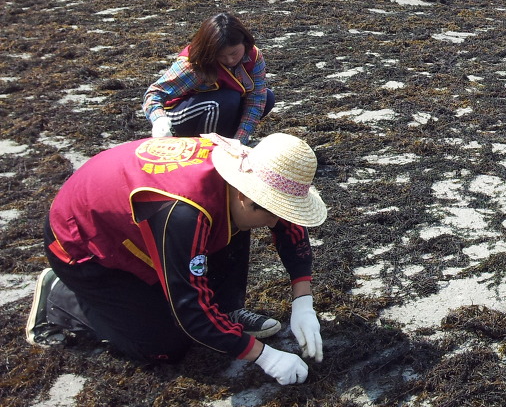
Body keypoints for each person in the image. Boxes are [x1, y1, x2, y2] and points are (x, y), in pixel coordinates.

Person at [25, 132, 328, 386]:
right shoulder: (186, 214)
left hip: (145, 225)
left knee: (236, 232)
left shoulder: (248, 173)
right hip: (84, 245)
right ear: (246, 196)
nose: (279, 220)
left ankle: (226, 313)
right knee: (164, 346)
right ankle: (60, 298)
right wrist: (265, 356)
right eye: (274, 211)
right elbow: (190, 311)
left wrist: (303, 301)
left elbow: (287, 226)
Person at [143, 13, 274, 146]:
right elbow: (154, 94)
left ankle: (227, 143)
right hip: (179, 116)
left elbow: (256, 99)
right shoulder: (194, 65)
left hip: (219, 110)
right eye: (221, 56)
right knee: (227, 99)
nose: (229, 60)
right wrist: (160, 120)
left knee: (266, 97)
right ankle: (206, 148)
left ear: (245, 43)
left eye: (234, 53)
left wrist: (240, 140)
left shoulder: (254, 56)